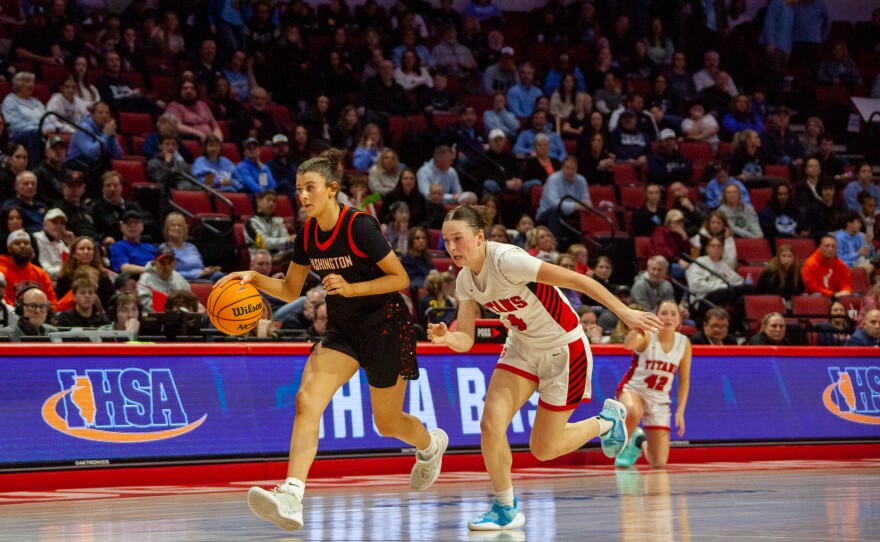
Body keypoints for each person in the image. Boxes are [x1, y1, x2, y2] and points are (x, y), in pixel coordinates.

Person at [217, 149, 448, 532]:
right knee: (307, 399)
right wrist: (255, 279)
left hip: (384, 326)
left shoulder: (360, 227)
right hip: (342, 331)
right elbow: (291, 288)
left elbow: (401, 280)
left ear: (332, 189)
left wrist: (352, 288)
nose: (303, 197)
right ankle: (292, 495)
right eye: (299, 190)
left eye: (310, 188)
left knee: (387, 424)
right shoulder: (307, 233)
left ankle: (430, 445)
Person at [427, 204, 662, 531]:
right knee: (491, 424)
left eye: (458, 239)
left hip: (564, 348)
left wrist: (626, 313)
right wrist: (446, 338)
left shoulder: (508, 260)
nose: (451, 247)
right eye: (446, 241)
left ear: (480, 237)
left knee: (543, 449)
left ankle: (608, 421)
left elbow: (577, 280)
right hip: (522, 346)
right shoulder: (465, 279)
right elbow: (466, 338)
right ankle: (505, 507)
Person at [613, 300, 691, 468]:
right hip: (634, 390)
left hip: (660, 400)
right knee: (633, 411)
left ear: (679, 320)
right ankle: (625, 445)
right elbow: (627, 345)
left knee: (658, 461)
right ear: (656, 316)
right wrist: (641, 326)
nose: (668, 317)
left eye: (673, 313)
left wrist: (680, 411)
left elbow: (684, 379)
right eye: (663, 313)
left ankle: (638, 440)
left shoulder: (684, 343)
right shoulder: (647, 335)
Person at [55, 236, 115, 309]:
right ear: (74, 254)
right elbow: (60, 302)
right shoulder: (65, 277)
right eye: (81, 249)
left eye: (89, 249)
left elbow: (110, 300)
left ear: (94, 253)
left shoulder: (102, 277)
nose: (86, 252)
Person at [161, 213, 223, 282]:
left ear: (184, 229)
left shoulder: (192, 247)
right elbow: (168, 273)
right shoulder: (165, 248)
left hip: (203, 277)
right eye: (173, 225)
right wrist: (196, 274)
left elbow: (201, 267)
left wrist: (206, 270)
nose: (177, 228)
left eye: (180, 225)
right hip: (184, 281)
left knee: (220, 276)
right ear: (167, 229)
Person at [66, 101, 124, 170]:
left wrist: (112, 136)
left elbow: (118, 156)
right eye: (100, 113)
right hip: (76, 164)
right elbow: (92, 154)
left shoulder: (106, 128)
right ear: (92, 114)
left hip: (93, 165)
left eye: (107, 113)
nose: (104, 115)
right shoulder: (84, 128)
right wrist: (105, 135)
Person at [137, 246, 191, 313]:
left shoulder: (178, 277)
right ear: (155, 263)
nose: (166, 267)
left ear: (175, 263)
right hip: (155, 318)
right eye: (162, 263)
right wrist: (170, 310)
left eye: (169, 262)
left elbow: (190, 298)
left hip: (180, 317)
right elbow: (144, 303)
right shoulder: (145, 279)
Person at [109, 210, 156, 274]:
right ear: (122, 227)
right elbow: (124, 268)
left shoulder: (151, 247)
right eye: (128, 223)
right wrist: (151, 271)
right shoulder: (118, 246)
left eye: (135, 222)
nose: (132, 225)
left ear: (142, 226)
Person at [32, 208, 72, 280]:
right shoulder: (37, 239)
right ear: (44, 224)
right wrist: (66, 272)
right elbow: (45, 270)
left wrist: (71, 244)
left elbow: (71, 264)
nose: (59, 226)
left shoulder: (61, 244)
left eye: (62, 223)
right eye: (55, 222)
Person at [835, 211, 875, 276]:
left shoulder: (858, 236)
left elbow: (867, 255)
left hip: (860, 262)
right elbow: (839, 258)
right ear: (849, 223)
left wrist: (868, 242)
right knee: (869, 268)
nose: (861, 225)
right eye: (858, 222)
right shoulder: (839, 238)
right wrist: (857, 253)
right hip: (846, 265)